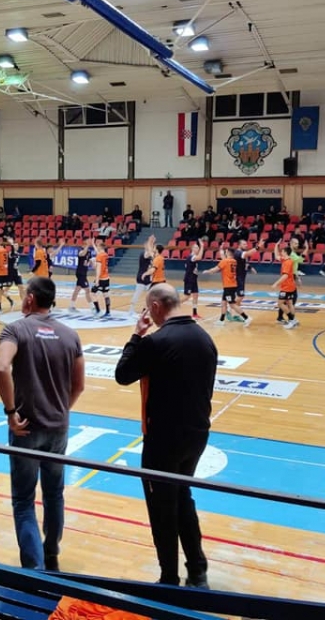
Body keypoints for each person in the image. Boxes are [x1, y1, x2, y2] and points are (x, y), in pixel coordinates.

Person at [114, 284, 215, 588]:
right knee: (182, 497)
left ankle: (169, 578)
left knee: (162, 508)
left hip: (163, 440)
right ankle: (197, 571)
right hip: (197, 435)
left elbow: (122, 374)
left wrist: (136, 335)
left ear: (156, 306)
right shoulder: (205, 338)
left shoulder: (156, 342)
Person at [0, 277, 84, 571]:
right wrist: (60, 410)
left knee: (23, 500)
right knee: (54, 493)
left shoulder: (15, 329)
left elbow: (2, 367)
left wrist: (10, 412)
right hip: (58, 428)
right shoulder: (71, 335)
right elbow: (79, 385)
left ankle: (34, 569)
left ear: (31, 298)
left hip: (26, 428)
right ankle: (51, 553)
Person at [202, 248, 251, 327]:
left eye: (226, 251)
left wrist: (207, 271)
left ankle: (247, 318)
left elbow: (215, 269)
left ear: (227, 252)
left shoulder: (224, 261)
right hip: (231, 285)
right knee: (223, 303)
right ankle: (221, 320)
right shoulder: (234, 261)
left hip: (229, 286)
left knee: (232, 304)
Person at [272, 243, 299, 329]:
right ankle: (294, 320)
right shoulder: (286, 260)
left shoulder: (287, 263)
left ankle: (291, 320)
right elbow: (276, 256)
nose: (281, 252)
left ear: (285, 252)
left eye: (282, 251)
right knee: (290, 303)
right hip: (291, 286)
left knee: (280, 303)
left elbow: (285, 275)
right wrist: (276, 246)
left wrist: (276, 283)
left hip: (286, 287)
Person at [128, 235, 156, 316]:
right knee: (137, 294)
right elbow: (149, 252)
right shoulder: (144, 254)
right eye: (150, 246)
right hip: (142, 277)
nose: (152, 247)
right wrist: (150, 242)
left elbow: (152, 253)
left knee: (150, 295)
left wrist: (151, 243)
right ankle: (131, 310)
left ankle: (145, 310)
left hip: (148, 278)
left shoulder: (151, 255)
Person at [69, 238, 96, 312]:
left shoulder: (89, 252)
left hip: (84, 272)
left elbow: (89, 262)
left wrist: (93, 264)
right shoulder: (80, 250)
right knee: (87, 290)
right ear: (84, 242)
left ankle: (71, 306)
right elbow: (82, 254)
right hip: (80, 273)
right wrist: (87, 245)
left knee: (77, 290)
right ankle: (92, 307)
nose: (89, 241)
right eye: (88, 240)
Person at [183, 239, 204, 320]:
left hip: (193, 279)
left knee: (195, 295)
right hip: (189, 279)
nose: (197, 249)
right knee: (186, 297)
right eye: (196, 247)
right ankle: (173, 306)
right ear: (192, 249)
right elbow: (200, 257)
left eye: (198, 248)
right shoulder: (191, 257)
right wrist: (202, 246)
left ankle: (194, 313)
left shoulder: (193, 257)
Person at [93, 238, 112, 317]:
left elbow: (98, 269)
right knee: (106, 294)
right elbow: (98, 253)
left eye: (97, 246)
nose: (97, 248)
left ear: (100, 247)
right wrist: (93, 245)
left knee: (93, 294)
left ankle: (98, 310)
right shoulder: (105, 254)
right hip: (106, 278)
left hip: (100, 278)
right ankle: (108, 312)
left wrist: (97, 280)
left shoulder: (99, 256)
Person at [6, 236, 26, 307]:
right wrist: (11, 243)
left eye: (17, 245)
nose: (16, 246)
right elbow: (12, 254)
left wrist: (18, 270)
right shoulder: (10, 253)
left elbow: (16, 264)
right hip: (10, 273)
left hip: (16, 273)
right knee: (6, 289)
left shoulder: (18, 254)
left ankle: (24, 303)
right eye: (15, 245)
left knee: (21, 287)